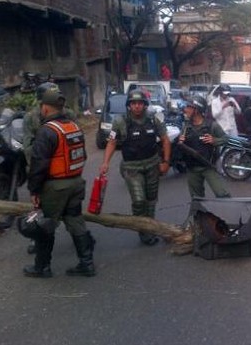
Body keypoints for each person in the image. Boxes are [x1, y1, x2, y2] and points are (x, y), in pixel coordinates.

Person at [23, 86, 95, 278]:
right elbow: (83, 155)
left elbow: (38, 164)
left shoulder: (47, 131)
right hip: (76, 182)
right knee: (75, 220)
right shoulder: (73, 127)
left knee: (45, 225)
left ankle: (42, 267)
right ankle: (87, 263)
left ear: (45, 107)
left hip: (55, 186)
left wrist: (34, 190)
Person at [99, 90, 171, 245]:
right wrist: (105, 163)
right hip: (131, 167)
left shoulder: (154, 119)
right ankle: (142, 230)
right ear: (129, 106)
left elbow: (165, 140)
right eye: (133, 103)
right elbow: (111, 142)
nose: (137, 106)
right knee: (139, 201)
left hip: (152, 164)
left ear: (145, 105)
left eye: (140, 103)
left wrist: (165, 162)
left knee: (151, 200)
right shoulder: (120, 121)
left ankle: (150, 228)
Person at [23, 82, 77, 255]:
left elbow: (74, 142)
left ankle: (76, 239)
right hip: (41, 168)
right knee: (39, 208)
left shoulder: (68, 114)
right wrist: (36, 176)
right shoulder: (31, 117)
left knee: (70, 209)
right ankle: (36, 239)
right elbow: (29, 148)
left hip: (62, 170)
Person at [178, 96, 231, 198]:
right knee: (197, 198)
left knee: (222, 194)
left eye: (189, 107)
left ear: (197, 110)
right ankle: (199, 214)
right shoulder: (186, 126)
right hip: (192, 168)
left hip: (208, 166)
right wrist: (181, 142)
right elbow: (180, 145)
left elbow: (226, 139)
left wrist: (214, 140)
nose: (185, 109)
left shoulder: (212, 125)